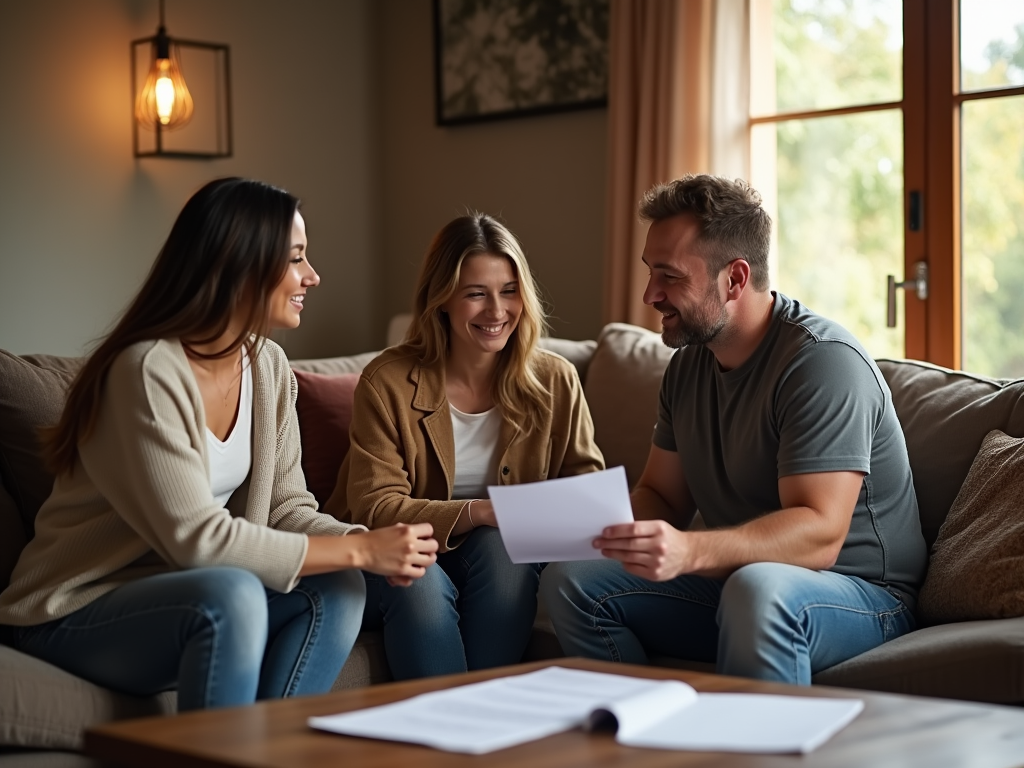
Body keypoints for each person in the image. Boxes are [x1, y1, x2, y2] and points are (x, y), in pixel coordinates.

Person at [0, 178, 438, 710]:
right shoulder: (145, 372)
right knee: (232, 595)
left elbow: (286, 506)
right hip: (76, 611)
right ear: (241, 265)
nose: (312, 276)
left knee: (339, 584)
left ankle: (269, 750)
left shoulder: (269, 367)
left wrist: (367, 543)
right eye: (296, 258)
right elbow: (197, 541)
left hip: (189, 595)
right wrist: (361, 547)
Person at [539, 174, 928, 684]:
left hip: (860, 594)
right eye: (648, 272)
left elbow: (819, 534)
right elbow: (661, 493)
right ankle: (645, 738)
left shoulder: (821, 363)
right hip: (741, 580)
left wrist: (689, 551)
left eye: (669, 276)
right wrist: (612, 534)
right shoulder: (686, 367)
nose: (649, 294)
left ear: (735, 280)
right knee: (574, 582)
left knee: (757, 589)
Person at [324, 212, 605, 679]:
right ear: (442, 301)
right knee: (418, 574)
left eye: (509, 291)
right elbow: (374, 505)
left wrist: (519, 519)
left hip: (494, 564)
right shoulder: (387, 381)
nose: (497, 311)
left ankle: (480, 712)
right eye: (476, 293)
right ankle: (452, 726)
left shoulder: (557, 380)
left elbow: (586, 490)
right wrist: (479, 511)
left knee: (505, 548)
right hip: (395, 553)